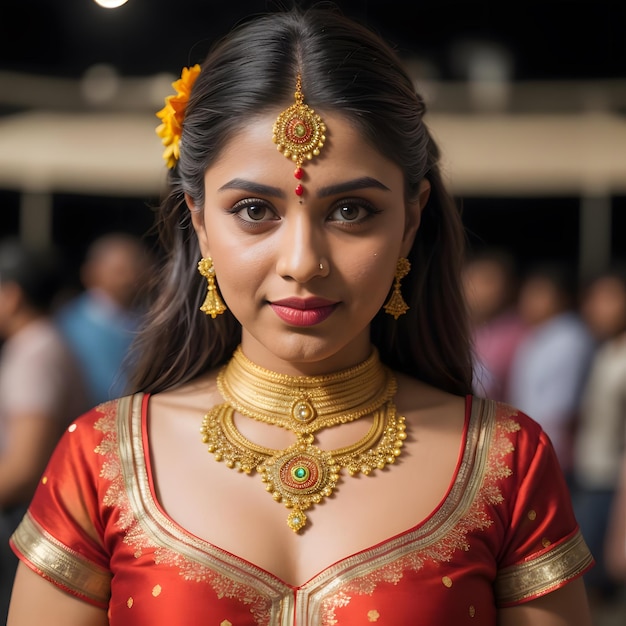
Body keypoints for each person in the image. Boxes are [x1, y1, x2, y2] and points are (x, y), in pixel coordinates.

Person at [7, 5, 594, 625]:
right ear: (201, 221)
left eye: (351, 212)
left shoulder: (505, 461)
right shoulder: (104, 460)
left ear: (411, 219)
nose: (303, 263)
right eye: (255, 211)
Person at [0, 237, 90, 624]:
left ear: (12, 295)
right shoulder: (40, 344)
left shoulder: (36, 352)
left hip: (24, 518)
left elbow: (24, 467)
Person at [507, 261, 596, 475]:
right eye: (526, 294)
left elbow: (560, 407)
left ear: (562, 297)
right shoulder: (540, 334)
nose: (529, 302)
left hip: (551, 450)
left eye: (539, 294)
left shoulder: (570, 338)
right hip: (533, 444)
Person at [571, 266, 626, 602]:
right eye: (591, 298)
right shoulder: (607, 350)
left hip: (611, 488)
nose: (594, 307)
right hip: (593, 480)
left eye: (607, 298)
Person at [55, 232, 154, 405]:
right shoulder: (70, 324)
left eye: (136, 270)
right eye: (119, 271)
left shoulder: (150, 320)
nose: (130, 279)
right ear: (92, 272)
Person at [462, 247, 528, 401]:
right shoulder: (460, 329)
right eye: (471, 279)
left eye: (487, 281)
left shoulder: (519, 335)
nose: (475, 289)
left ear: (509, 287)